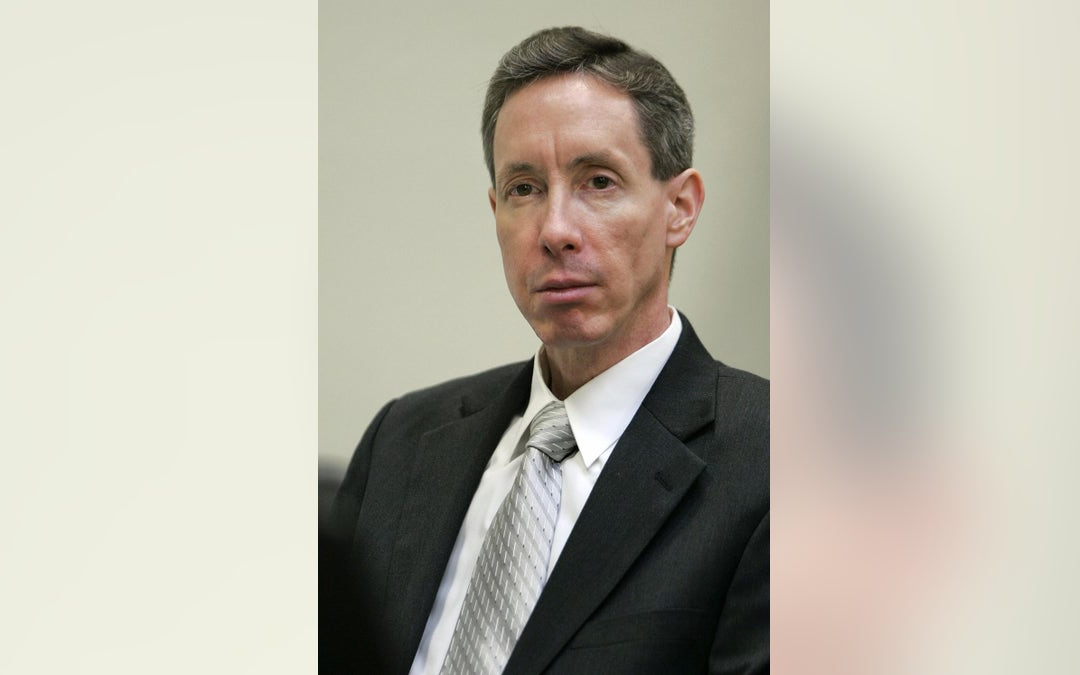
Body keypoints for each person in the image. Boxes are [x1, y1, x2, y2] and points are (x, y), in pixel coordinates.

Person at [321, 26, 768, 674]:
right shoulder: (402, 440)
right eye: (525, 188)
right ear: (495, 207)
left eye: (598, 181)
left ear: (680, 207)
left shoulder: (777, 463)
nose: (555, 229)